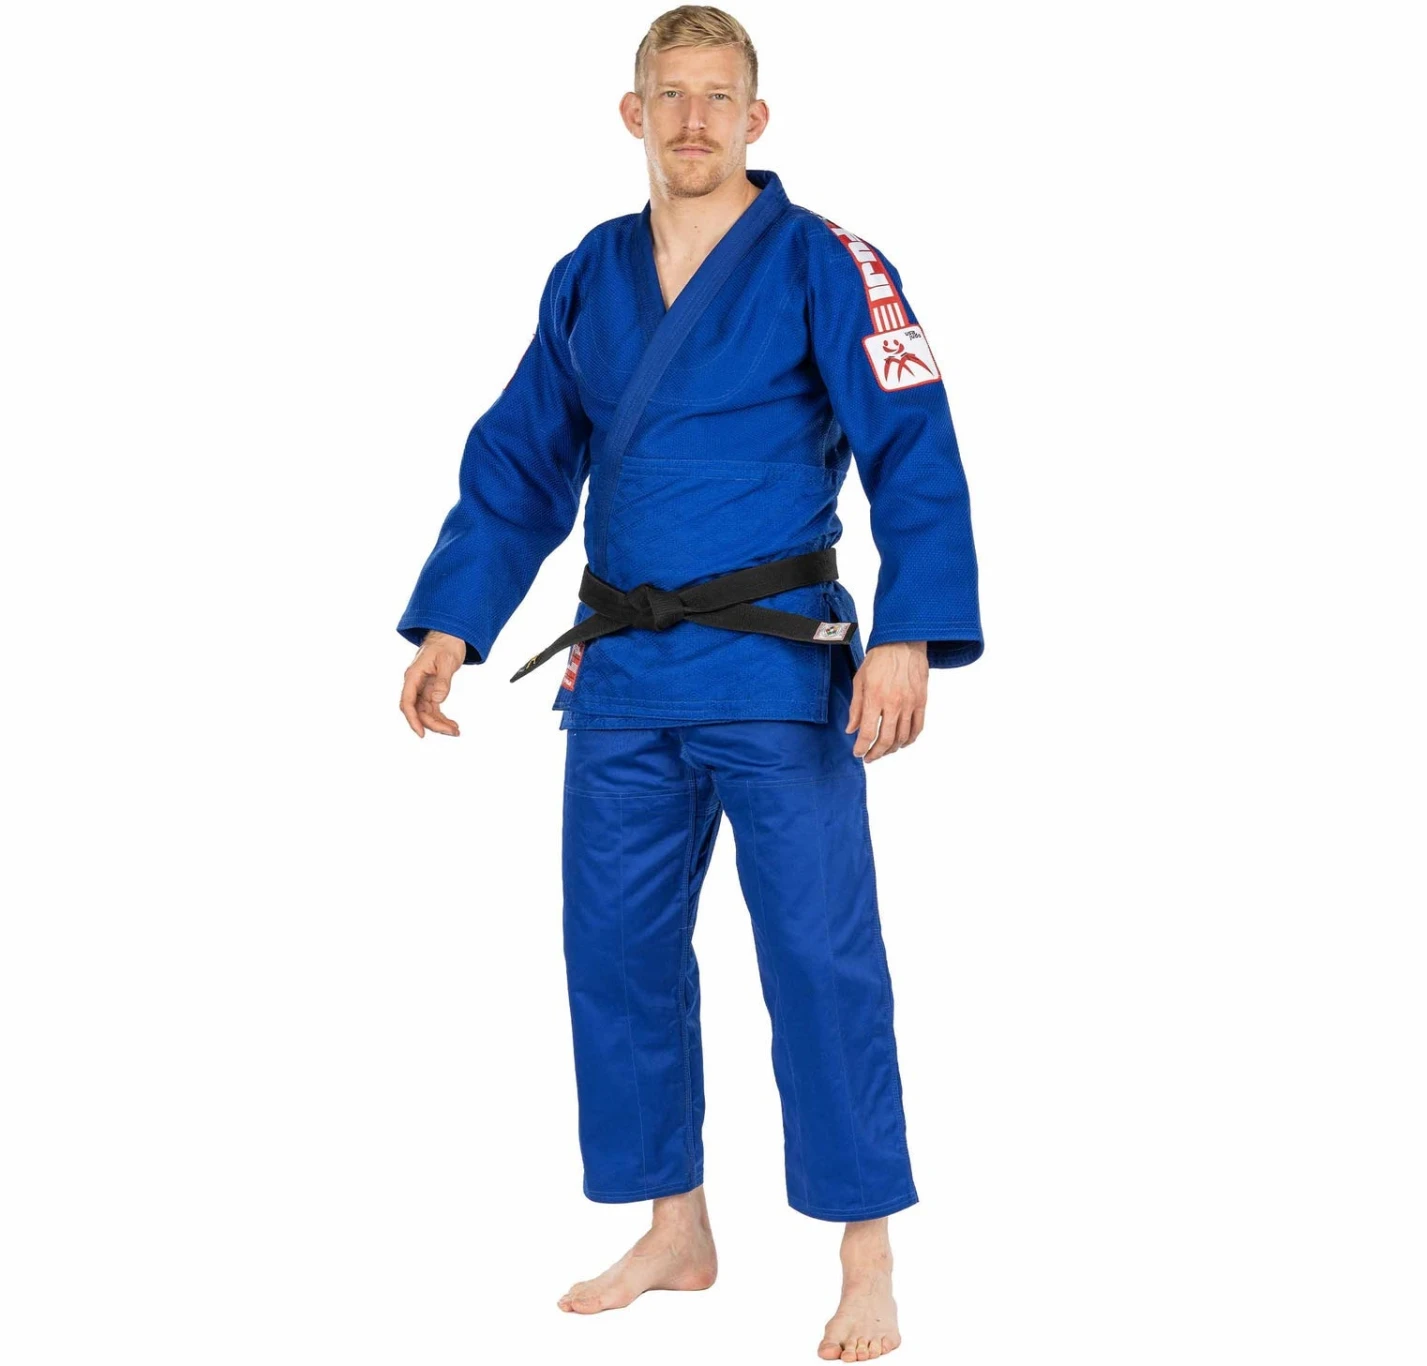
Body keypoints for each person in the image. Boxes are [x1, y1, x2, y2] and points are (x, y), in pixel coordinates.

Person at [395, 7, 982, 1360]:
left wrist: (910, 631)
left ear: (757, 119)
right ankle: (677, 1225)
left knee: (820, 958)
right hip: (620, 674)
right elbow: (522, 460)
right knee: (617, 952)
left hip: (776, 666)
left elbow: (914, 444)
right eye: (672, 96)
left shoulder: (829, 261)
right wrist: (454, 624)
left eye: (720, 97)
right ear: (634, 114)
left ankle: (867, 1251)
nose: (695, 120)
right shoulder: (589, 275)